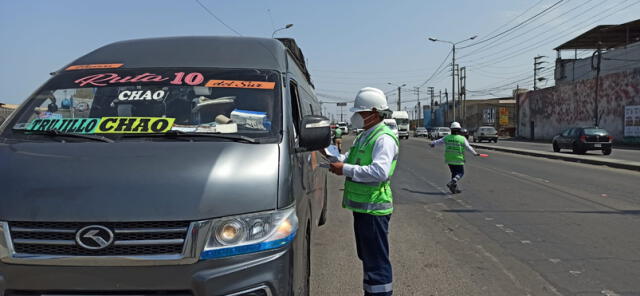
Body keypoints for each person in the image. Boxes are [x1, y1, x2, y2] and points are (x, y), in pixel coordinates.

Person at [327, 87, 398, 296]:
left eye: (361, 113)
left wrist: (345, 170)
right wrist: (331, 157)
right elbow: (348, 158)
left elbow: (380, 171)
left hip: (374, 209)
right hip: (363, 208)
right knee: (367, 257)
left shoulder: (383, 138)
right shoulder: (365, 135)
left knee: (376, 261)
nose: (357, 116)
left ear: (374, 113)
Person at [430, 121, 479, 194]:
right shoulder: (462, 138)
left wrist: (432, 143)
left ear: (451, 130)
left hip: (449, 159)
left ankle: (454, 188)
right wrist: (475, 153)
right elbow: (468, 147)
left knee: (454, 173)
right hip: (458, 159)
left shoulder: (447, 137)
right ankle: (452, 182)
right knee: (460, 172)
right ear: (459, 130)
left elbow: (438, 141)